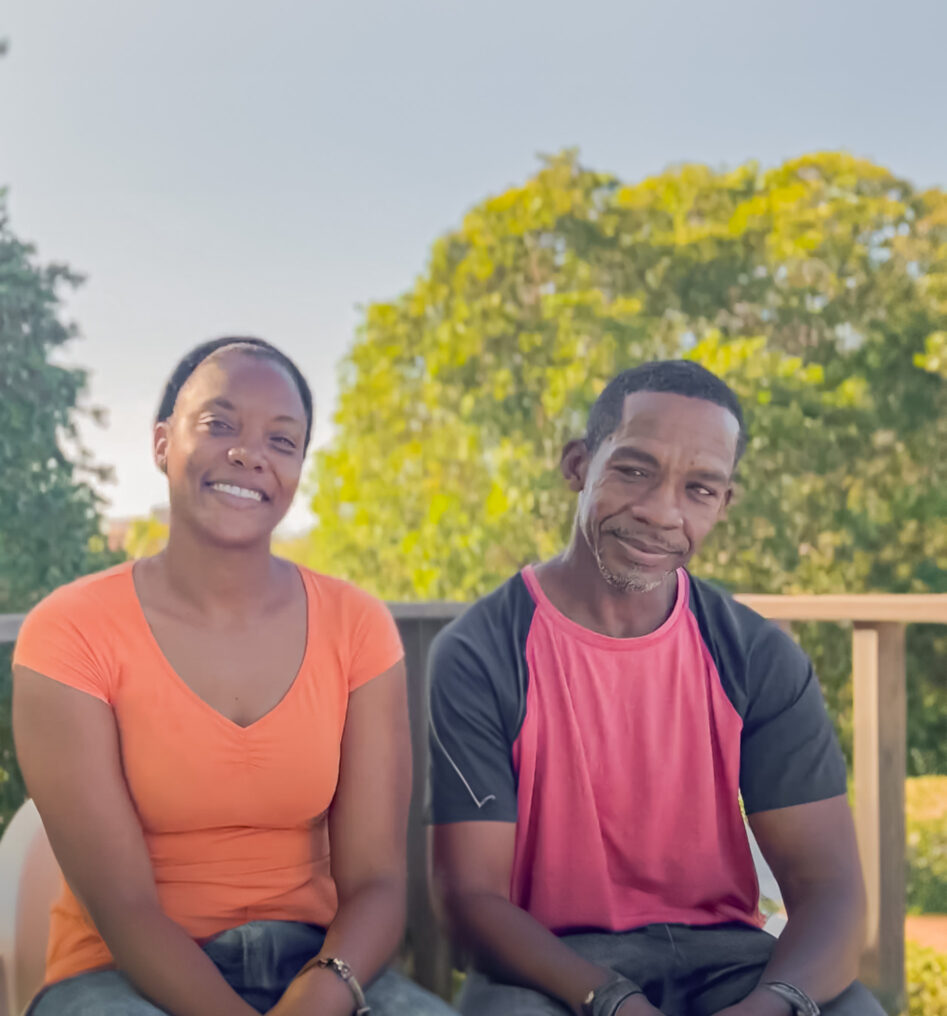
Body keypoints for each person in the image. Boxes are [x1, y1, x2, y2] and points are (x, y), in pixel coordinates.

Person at [13, 337, 456, 1016]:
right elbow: (123, 907)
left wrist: (324, 988)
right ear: (163, 444)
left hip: (318, 966)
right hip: (124, 978)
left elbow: (375, 882)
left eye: (282, 441)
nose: (250, 453)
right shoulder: (69, 632)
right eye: (218, 425)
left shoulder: (357, 627)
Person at [427, 360, 885, 1016]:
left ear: (723, 503)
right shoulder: (480, 651)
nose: (659, 512)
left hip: (730, 962)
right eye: (634, 470)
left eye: (698, 489)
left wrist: (773, 1004)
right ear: (577, 465)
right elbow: (470, 902)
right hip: (557, 967)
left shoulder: (757, 656)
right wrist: (611, 1000)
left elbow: (829, 890)